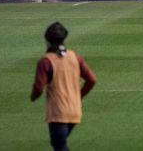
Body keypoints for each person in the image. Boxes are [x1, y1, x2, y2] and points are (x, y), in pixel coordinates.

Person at [31, 22, 97, 151]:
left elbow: (38, 88)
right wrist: (79, 95)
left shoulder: (46, 61)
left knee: (59, 146)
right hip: (75, 110)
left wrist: (33, 96)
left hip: (58, 112)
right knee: (59, 145)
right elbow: (92, 79)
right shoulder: (74, 57)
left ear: (47, 40)